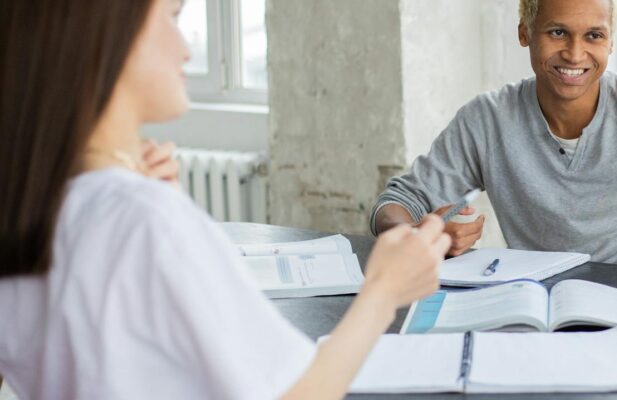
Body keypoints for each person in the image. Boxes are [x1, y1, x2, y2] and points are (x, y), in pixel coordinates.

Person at [0, 0, 448, 398]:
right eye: (173, 17)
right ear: (107, 38)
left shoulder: (32, 208)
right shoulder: (146, 221)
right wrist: (384, 291)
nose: (186, 49)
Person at [371, 0, 617, 271]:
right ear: (525, 32)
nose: (575, 54)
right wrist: (416, 236)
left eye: (593, 36)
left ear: (611, 41)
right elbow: (396, 203)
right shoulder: (488, 121)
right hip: (537, 324)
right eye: (557, 33)